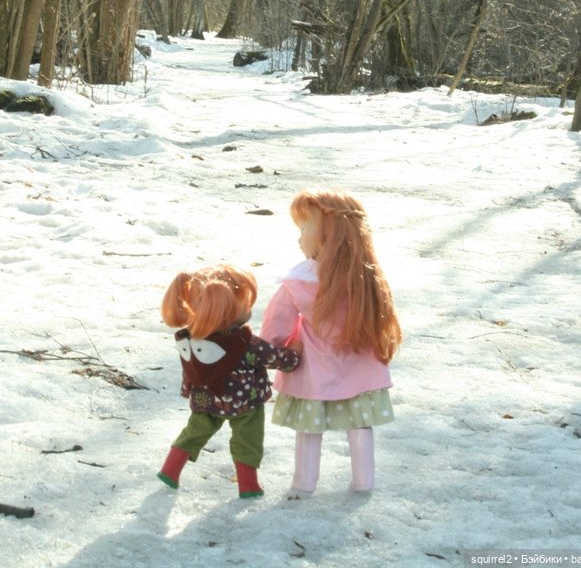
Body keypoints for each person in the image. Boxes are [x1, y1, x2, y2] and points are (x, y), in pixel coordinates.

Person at [260, 189, 401, 495]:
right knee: (360, 423)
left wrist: (272, 350)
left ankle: (304, 483)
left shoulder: (299, 281)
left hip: (314, 369)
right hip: (361, 367)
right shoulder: (367, 278)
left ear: (328, 233)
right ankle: (364, 481)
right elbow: (383, 317)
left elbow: (276, 324)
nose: (299, 238)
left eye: (303, 229)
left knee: (309, 428)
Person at [158, 263, 300, 498]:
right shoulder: (245, 343)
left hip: (205, 400)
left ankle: (170, 471)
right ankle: (248, 485)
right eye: (245, 303)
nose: (249, 308)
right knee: (248, 439)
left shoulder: (189, 337)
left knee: (194, 432)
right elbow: (278, 359)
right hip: (245, 402)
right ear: (229, 309)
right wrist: (294, 354)